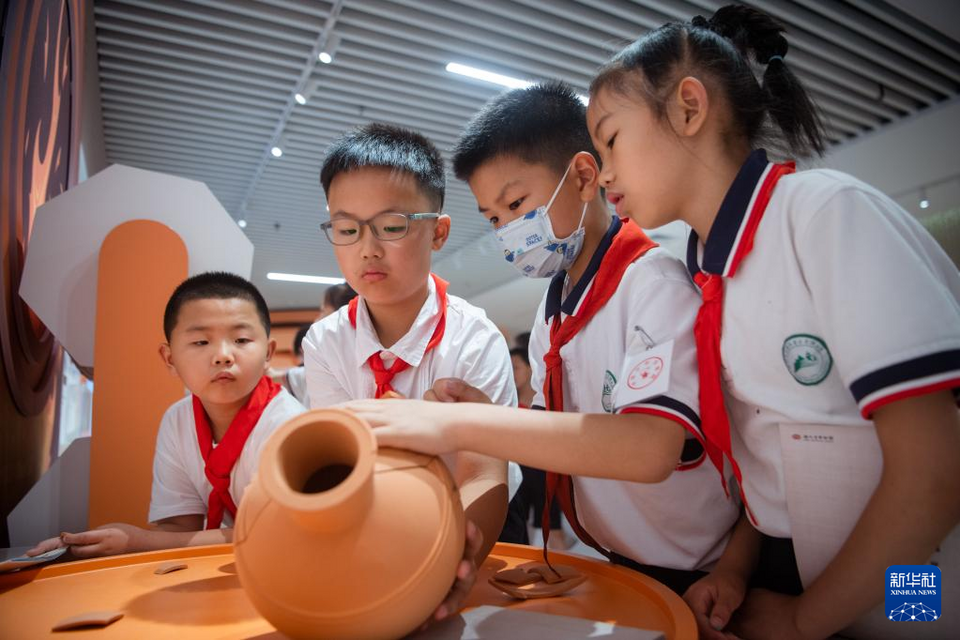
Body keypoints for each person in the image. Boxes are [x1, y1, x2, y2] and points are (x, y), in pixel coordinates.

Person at [586, 5, 960, 638]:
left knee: (918, 628)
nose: (605, 172)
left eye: (611, 139)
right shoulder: (709, 273)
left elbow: (936, 469)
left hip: (917, 574)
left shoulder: (824, 215)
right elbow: (772, 467)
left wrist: (804, 620)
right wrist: (737, 572)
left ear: (688, 108)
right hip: (803, 576)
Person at [340, 82, 738, 595]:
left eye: (517, 203)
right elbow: (567, 439)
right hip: (612, 560)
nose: (507, 229)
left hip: (694, 571)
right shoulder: (554, 310)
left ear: (582, 176)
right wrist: (493, 415)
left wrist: (464, 424)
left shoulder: (651, 283)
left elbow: (649, 447)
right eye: (494, 218)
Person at [301, 123, 514, 623]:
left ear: (438, 231)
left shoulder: (473, 339)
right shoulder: (325, 342)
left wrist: (438, 574)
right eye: (347, 229)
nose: (367, 249)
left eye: (391, 226)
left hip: (462, 550)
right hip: (363, 550)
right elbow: (340, 463)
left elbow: (483, 477)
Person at [27, 272, 305, 558]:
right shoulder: (177, 420)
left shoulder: (290, 425)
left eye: (241, 339)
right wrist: (103, 541)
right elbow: (180, 527)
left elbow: (277, 531)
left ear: (268, 353)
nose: (223, 355)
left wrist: (139, 541)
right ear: (170, 359)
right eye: (201, 342)